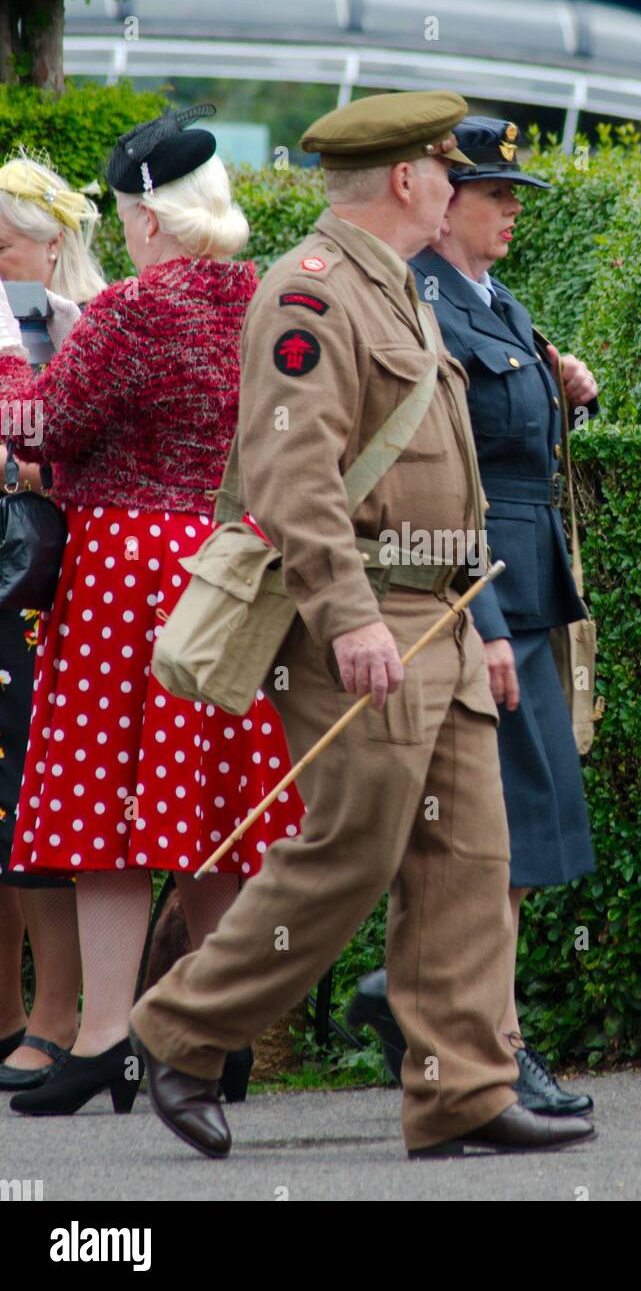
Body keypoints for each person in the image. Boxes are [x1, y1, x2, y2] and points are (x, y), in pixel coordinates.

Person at [128, 90, 595, 1160]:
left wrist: (478, 617)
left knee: (465, 859)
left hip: (440, 618)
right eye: (446, 169)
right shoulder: (312, 291)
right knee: (351, 849)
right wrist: (345, 618)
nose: (457, 186)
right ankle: (182, 1029)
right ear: (406, 178)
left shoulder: (397, 286)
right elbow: (294, 477)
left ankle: (460, 1089)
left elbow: (449, 471)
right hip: (368, 617)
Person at [0, 107, 303, 1118]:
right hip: (222, 564)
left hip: (124, 572)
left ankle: (103, 1037)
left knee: (105, 814)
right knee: (206, 810)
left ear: (148, 217)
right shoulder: (258, 298)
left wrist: (18, 360)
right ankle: (215, 1033)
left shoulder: (133, 310)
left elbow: (44, 428)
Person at [350, 116, 600, 1113]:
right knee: (499, 836)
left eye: (513, 196)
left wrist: (567, 392)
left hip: (528, 590)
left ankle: (420, 999)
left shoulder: (494, 300)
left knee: (524, 831)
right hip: (479, 590)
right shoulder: (426, 308)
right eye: (496, 194)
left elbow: (511, 438)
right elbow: (443, 485)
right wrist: (483, 618)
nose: (511, 212)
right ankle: (486, 1039)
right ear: (444, 203)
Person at [0, 153, 105, 1094]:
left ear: (51, 245)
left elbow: (82, 458)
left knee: (37, 797)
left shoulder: (84, 326)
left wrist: (21, 463)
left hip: (47, 582)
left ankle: (63, 1013)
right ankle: (11, 1012)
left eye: (2, 246)